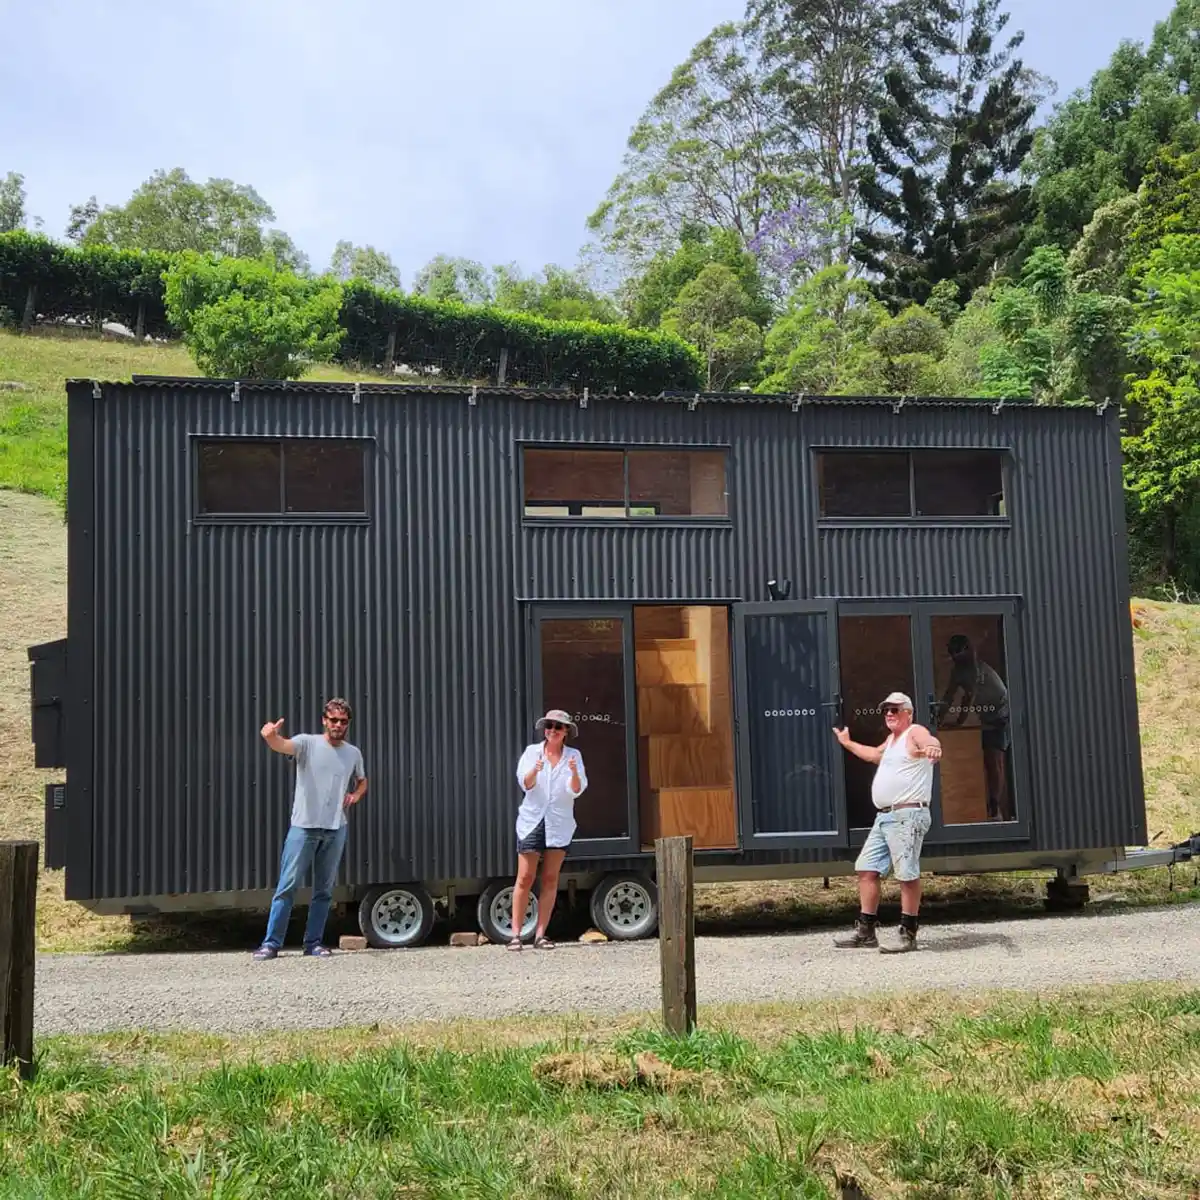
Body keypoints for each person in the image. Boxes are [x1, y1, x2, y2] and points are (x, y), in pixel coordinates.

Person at [252, 698, 367, 960]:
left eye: (343, 721)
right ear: (324, 720)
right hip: (303, 828)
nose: (338, 725)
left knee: (323, 892)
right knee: (287, 887)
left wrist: (356, 795)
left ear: (348, 724)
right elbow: (281, 745)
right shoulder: (307, 743)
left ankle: (313, 944)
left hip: (336, 829)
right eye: (333, 720)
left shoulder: (353, 753)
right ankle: (271, 944)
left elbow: (362, 780)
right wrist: (270, 736)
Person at [831, 692, 942, 953]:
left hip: (907, 816)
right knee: (866, 869)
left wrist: (933, 747)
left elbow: (930, 741)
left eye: (895, 709)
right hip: (885, 816)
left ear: (908, 713)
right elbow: (872, 754)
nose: (889, 714)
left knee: (906, 874)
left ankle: (908, 934)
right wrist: (847, 742)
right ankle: (866, 932)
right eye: (886, 710)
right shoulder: (892, 740)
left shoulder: (915, 732)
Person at [509, 709, 588, 951]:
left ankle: (540, 935)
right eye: (549, 726)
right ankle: (515, 935)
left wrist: (573, 772)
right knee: (525, 877)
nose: (552, 730)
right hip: (533, 821)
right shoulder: (532, 752)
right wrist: (536, 769)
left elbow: (576, 790)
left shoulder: (574, 755)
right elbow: (525, 783)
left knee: (551, 878)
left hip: (559, 823)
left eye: (558, 727)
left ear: (566, 732)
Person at [939, 634, 1011, 821]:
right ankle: (993, 807)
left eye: (957, 652)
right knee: (989, 762)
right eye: (952, 652)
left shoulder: (976, 669)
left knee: (995, 761)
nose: (954, 656)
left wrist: (959, 721)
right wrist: (937, 719)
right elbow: (949, 696)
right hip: (988, 717)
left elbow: (968, 697)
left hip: (1002, 714)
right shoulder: (959, 671)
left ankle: (995, 806)